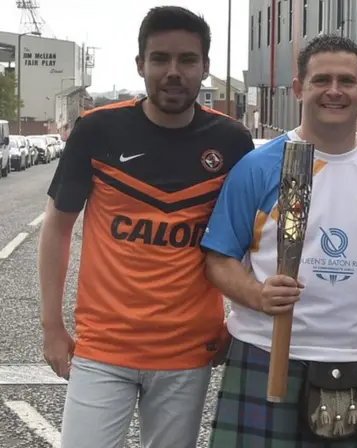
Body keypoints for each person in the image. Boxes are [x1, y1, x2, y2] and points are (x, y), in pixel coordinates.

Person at [200, 34, 357, 447]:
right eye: (321, 80)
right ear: (299, 88)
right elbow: (218, 259)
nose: (334, 91)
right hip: (265, 353)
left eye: (346, 81)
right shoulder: (259, 167)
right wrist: (257, 294)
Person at [38, 6, 253, 448]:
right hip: (103, 347)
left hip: (187, 351)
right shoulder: (97, 129)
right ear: (141, 65)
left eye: (187, 60)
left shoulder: (232, 142)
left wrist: (239, 318)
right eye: (160, 59)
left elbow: (248, 241)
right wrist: (51, 327)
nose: (173, 72)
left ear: (206, 68)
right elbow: (57, 229)